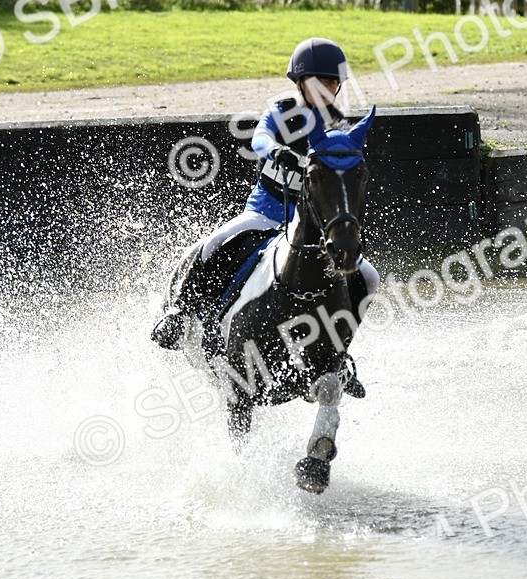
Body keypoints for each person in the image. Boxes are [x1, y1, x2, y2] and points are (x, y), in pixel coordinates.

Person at [151, 38, 379, 394]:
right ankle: (179, 312)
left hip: (310, 229)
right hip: (265, 214)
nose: (324, 91)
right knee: (213, 244)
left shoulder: (339, 128)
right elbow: (259, 138)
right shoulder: (284, 110)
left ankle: (340, 356)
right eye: (316, 83)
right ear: (299, 83)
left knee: (369, 276)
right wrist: (277, 151)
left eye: (330, 84)